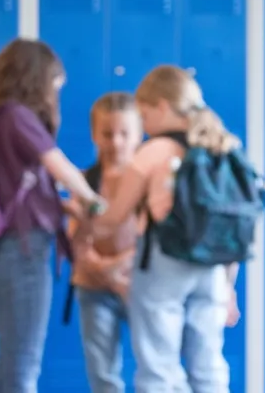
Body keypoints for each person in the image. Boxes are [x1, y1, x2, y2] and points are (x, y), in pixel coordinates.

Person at [92, 65, 240, 393]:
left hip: (164, 261)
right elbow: (234, 223)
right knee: (208, 363)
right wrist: (229, 287)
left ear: (161, 106)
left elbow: (115, 217)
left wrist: (85, 217)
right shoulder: (223, 146)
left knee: (158, 364)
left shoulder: (153, 151)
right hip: (214, 266)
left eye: (144, 116)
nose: (144, 126)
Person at [0, 38, 106, 393]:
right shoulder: (17, 115)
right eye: (54, 86)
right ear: (37, 79)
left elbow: (18, 189)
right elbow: (59, 166)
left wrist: (62, 207)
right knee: (23, 363)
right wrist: (94, 201)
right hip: (22, 249)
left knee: (12, 360)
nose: (54, 96)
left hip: (3, 248)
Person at [67, 92, 143, 393]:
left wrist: (121, 267)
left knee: (156, 367)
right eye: (108, 134)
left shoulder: (148, 181)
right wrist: (104, 271)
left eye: (125, 133)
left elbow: (154, 238)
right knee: (102, 375)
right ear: (94, 135)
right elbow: (76, 239)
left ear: (140, 134)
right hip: (93, 288)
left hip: (139, 286)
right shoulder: (84, 181)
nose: (116, 142)